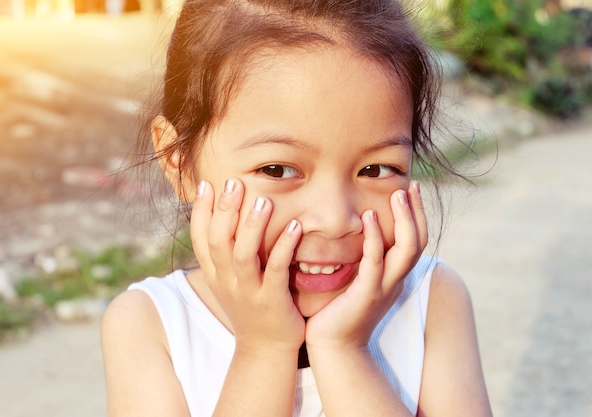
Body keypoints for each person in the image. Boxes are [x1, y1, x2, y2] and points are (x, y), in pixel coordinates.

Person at [101, 1, 493, 416]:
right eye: (277, 168)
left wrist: (345, 350)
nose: (334, 220)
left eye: (376, 169)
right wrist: (263, 347)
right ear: (178, 162)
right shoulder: (151, 325)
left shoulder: (431, 301)